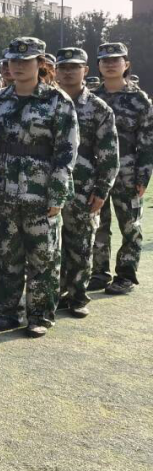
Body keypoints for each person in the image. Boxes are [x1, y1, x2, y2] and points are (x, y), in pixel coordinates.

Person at [0, 37, 78, 337]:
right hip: (3, 191)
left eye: (25, 61)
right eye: (13, 60)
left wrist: (58, 193)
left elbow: (66, 151)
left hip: (41, 193)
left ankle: (40, 314)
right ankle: (6, 311)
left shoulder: (57, 101)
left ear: (40, 63)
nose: (17, 66)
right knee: (5, 255)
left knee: (43, 257)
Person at [54, 47, 118, 316]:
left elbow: (109, 154)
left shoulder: (98, 108)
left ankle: (78, 297)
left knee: (80, 245)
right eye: (63, 67)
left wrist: (102, 190)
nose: (68, 72)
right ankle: (53, 295)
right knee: (49, 247)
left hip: (84, 189)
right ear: (55, 71)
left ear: (86, 70)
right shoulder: (46, 103)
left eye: (74, 67)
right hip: (48, 188)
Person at [90, 42, 152, 295]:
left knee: (130, 225)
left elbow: (147, 142)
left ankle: (126, 275)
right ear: (98, 66)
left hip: (128, 171)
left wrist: (143, 176)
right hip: (97, 172)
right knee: (98, 223)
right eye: (104, 60)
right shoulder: (92, 98)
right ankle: (99, 272)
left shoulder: (139, 100)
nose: (110, 64)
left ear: (126, 64)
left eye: (115, 60)